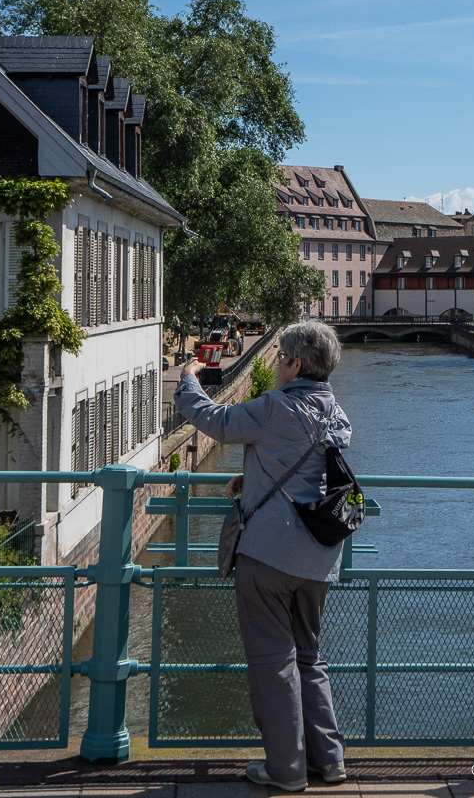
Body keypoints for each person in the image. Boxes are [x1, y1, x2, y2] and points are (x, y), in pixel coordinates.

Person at [174, 319, 351, 792]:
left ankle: (287, 771)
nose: (275, 365)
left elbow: (216, 423)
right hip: (319, 557)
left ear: (294, 364)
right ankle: (328, 762)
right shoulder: (336, 412)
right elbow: (308, 469)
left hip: (268, 555)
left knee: (273, 661)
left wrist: (188, 379)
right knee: (309, 658)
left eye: (280, 357)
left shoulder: (276, 406)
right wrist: (251, 480)